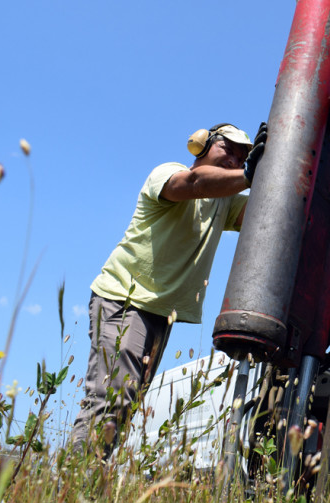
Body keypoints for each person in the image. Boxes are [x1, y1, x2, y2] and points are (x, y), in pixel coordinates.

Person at [70, 122, 266, 457]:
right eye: (227, 151)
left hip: (160, 315)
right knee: (114, 395)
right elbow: (193, 183)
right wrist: (249, 175)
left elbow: (264, 210)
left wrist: (276, 168)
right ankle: (75, 484)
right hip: (125, 299)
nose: (234, 161)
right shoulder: (169, 173)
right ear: (201, 145)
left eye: (243, 158)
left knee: (125, 405)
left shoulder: (225, 204)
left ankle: (85, 483)